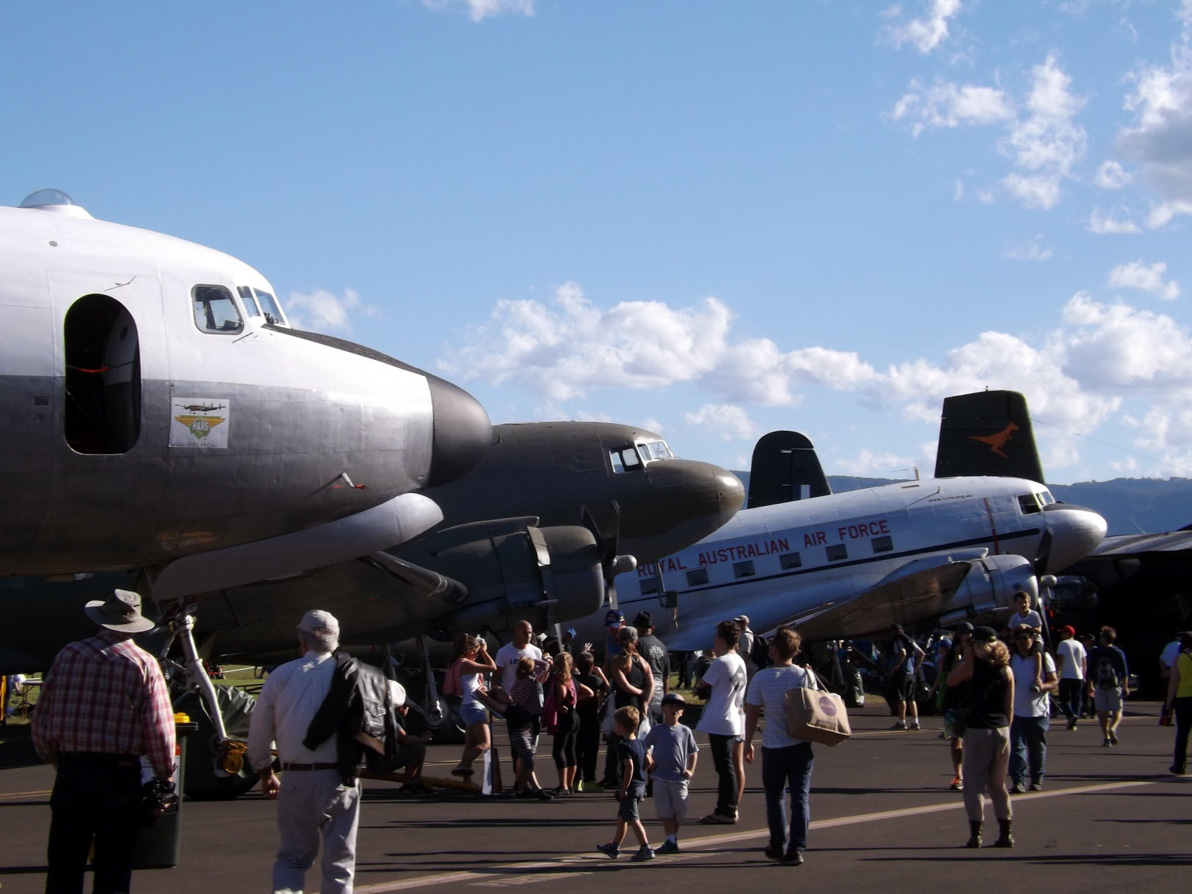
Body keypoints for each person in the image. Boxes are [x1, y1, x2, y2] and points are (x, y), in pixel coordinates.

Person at [31, 588, 176, 894]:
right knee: (113, 865)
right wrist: (165, 774)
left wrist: (55, 758)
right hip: (118, 774)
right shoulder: (144, 663)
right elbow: (159, 729)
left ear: (100, 620)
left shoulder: (69, 654)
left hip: (73, 769)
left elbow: (42, 718)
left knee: (63, 863)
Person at [247, 609, 360, 894]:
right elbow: (392, 692)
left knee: (292, 859)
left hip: (296, 778)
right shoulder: (354, 675)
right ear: (336, 641)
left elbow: (259, 733)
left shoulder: (282, 676)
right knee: (340, 864)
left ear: (303, 641)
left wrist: (264, 771)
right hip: (340, 778)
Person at [743, 625, 815, 865]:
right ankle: (797, 847)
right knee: (800, 797)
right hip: (800, 742)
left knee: (775, 797)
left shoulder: (762, 677)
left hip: (774, 745)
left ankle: (777, 844)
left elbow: (752, 712)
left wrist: (748, 741)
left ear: (774, 650)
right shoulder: (805, 675)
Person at [948, 625, 1014, 849]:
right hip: (1002, 729)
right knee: (998, 784)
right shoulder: (1006, 669)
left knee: (974, 784)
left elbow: (951, 680)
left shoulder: (973, 665)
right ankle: (1006, 832)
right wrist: (1006, 729)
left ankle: (975, 834)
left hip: (978, 728)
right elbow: (1009, 707)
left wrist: (965, 659)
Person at [695, 619, 747, 825]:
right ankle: (729, 807)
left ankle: (726, 809)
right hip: (734, 716)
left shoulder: (721, 662)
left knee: (724, 768)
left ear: (722, 638)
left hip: (720, 719)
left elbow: (702, 685)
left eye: (716, 635)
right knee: (729, 767)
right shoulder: (739, 660)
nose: (714, 640)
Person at [595, 706, 655, 862]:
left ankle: (645, 847)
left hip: (631, 787)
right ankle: (614, 846)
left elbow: (629, 767)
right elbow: (649, 762)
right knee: (622, 817)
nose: (613, 726)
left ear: (621, 726)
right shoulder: (641, 743)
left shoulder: (624, 745)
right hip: (640, 784)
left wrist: (624, 787)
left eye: (615, 724)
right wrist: (641, 774)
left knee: (634, 819)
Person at [642, 692, 699, 854]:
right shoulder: (657, 730)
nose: (674, 709)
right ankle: (670, 839)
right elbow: (644, 746)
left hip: (679, 778)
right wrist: (650, 762)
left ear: (682, 712)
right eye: (670, 706)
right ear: (663, 709)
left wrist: (690, 770)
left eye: (677, 707)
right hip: (660, 776)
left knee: (679, 810)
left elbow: (693, 752)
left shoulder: (685, 731)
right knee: (665, 810)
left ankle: (672, 838)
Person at [602, 626, 654, 787]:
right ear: (635, 641)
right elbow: (651, 683)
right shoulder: (642, 661)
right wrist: (645, 700)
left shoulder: (617, 661)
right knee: (639, 742)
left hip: (625, 706)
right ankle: (641, 777)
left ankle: (623, 779)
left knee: (622, 745)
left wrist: (639, 693)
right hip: (638, 706)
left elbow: (623, 685)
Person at [1008, 625, 1058, 792]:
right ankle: (1018, 781)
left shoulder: (1043, 657)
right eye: (1019, 639)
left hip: (1038, 712)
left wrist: (1043, 686)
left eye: (1025, 638)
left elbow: (1054, 681)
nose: (1022, 642)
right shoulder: (1012, 658)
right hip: (1017, 712)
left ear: (1032, 640)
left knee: (1037, 749)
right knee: (1017, 749)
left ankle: (1036, 779)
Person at [494, 620, 544, 784]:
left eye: (530, 632)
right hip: (514, 706)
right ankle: (519, 781)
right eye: (524, 632)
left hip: (532, 706)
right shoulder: (504, 652)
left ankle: (525, 780)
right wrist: (501, 694)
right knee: (518, 746)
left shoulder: (536, 651)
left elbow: (541, 677)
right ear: (516, 633)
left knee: (532, 747)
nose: (528, 636)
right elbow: (495, 679)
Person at [450, 633, 497, 779]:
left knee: (470, 746)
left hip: (468, 706)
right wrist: (484, 651)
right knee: (485, 743)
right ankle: (461, 765)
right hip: (473, 708)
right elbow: (492, 667)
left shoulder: (459, 663)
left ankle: (466, 780)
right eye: (476, 652)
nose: (477, 655)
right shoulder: (466, 664)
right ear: (470, 651)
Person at [936, 622, 973, 790]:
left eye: (971, 633)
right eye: (965, 633)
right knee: (955, 739)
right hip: (954, 700)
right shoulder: (953, 653)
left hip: (970, 700)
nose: (968, 636)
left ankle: (973, 773)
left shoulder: (975, 652)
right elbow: (949, 675)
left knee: (973, 740)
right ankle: (958, 775)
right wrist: (959, 658)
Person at [1087, 625, 1130, 747]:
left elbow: (1090, 671)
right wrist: (1125, 686)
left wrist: (1090, 685)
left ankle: (1106, 737)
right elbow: (1124, 672)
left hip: (1100, 684)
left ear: (1103, 638)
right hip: (1114, 684)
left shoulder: (1095, 652)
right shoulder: (1117, 652)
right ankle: (1113, 728)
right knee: (1117, 710)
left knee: (1102, 712)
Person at [573, 650, 609, 791]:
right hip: (591, 718)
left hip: (577, 718)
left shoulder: (574, 679)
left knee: (577, 750)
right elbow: (608, 689)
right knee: (590, 752)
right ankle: (589, 780)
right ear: (592, 666)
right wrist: (601, 674)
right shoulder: (595, 679)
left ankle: (576, 780)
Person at [545, 650, 579, 794]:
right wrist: (575, 703)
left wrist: (560, 704)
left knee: (558, 751)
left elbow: (562, 692)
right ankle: (569, 785)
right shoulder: (573, 679)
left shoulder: (559, 680)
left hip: (564, 718)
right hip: (575, 716)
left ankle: (563, 785)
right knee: (570, 750)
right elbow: (588, 692)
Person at [1162, 631, 1192, 776]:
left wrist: (1169, 705)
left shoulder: (1179, 659)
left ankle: (1179, 764)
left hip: (1184, 699)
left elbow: (1173, 683)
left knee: (1183, 734)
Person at [634, 611, 670, 725]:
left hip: (645, 692)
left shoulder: (638, 644)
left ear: (637, 627)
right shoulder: (662, 646)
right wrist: (665, 698)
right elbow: (667, 676)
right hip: (660, 694)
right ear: (652, 628)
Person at [889, 624, 925, 730]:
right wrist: (915, 669)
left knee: (901, 698)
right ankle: (915, 721)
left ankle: (902, 721)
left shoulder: (898, 640)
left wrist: (896, 666)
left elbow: (902, 652)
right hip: (910, 672)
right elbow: (922, 654)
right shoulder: (910, 640)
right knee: (911, 698)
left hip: (902, 672)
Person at [1054, 625, 1087, 730]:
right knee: (1076, 699)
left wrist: (1056, 672)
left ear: (1069, 634)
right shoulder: (1079, 644)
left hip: (1066, 675)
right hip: (1078, 675)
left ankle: (1070, 715)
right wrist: (1084, 675)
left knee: (1063, 699)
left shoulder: (1063, 644)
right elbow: (1084, 662)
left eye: (1063, 633)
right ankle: (1074, 721)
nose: (1061, 635)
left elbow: (1060, 659)